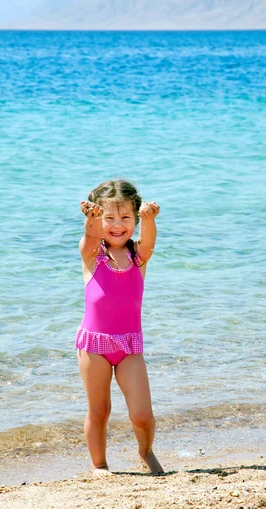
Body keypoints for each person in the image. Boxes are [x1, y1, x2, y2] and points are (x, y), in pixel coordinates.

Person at [75, 180, 164, 477]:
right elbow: (89, 240)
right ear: (98, 219)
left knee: (141, 414)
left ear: (135, 221)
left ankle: (145, 450)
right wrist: (91, 222)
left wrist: (149, 220)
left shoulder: (138, 258)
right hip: (94, 346)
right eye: (108, 218)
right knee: (99, 410)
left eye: (126, 218)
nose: (116, 225)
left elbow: (149, 241)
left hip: (128, 346)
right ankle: (99, 465)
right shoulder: (92, 255)